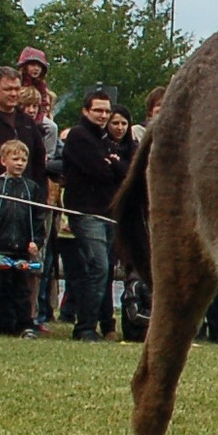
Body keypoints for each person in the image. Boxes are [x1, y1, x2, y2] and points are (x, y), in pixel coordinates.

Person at [61, 89, 128, 341]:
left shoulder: (105, 140)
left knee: (106, 269)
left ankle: (104, 324)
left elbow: (124, 172)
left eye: (106, 111)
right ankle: (85, 327)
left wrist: (114, 164)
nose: (103, 115)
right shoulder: (79, 136)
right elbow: (99, 171)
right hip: (86, 212)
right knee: (97, 266)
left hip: (107, 212)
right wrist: (112, 165)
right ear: (85, 111)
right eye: (98, 110)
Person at [0, 140, 45, 337]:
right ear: (3, 161)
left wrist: (36, 241)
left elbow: (38, 219)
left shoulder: (32, 188)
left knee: (22, 291)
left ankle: (24, 325)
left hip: (22, 250)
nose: (19, 163)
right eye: (15, 159)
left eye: (23, 160)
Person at [0, 66, 47, 191]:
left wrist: (40, 195)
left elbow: (39, 162)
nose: (13, 94)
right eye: (8, 89)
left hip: (26, 196)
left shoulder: (27, 121)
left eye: (17, 89)